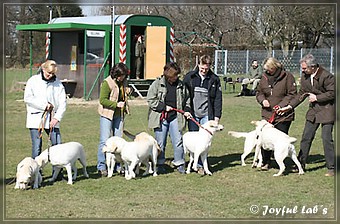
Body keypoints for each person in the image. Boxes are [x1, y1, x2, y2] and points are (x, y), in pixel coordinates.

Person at [277, 54, 335, 177]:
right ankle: (300, 164)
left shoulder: (327, 76)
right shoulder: (305, 77)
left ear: (313, 67)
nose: (302, 71)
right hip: (313, 111)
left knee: (326, 139)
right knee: (306, 137)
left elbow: (333, 93)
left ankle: (332, 167)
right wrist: (289, 106)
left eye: (304, 68)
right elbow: (302, 94)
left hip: (328, 110)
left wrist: (317, 97)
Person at [147, 62, 192, 174]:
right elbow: (150, 99)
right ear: (168, 76)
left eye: (177, 75)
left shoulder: (181, 85)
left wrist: (186, 111)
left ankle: (180, 163)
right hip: (161, 117)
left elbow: (187, 100)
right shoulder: (157, 84)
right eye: (174, 76)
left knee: (178, 141)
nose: (176, 78)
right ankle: (160, 163)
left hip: (176, 117)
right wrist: (163, 107)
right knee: (160, 142)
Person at [256, 57, 297, 171]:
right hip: (267, 114)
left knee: (280, 138)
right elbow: (259, 93)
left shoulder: (288, 77)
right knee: (265, 138)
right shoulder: (263, 78)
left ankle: (281, 161)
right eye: (266, 69)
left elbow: (292, 94)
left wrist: (282, 105)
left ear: (275, 67)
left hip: (283, 115)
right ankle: (265, 161)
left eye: (269, 69)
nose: (267, 71)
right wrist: (262, 100)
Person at [183, 55, 222, 175]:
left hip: (206, 115)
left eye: (206, 68)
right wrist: (186, 110)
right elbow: (184, 95)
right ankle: (197, 165)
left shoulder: (214, 79)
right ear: (198, 64)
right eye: (202, 68)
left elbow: (217, 99)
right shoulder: (190, 77)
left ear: (210, 66)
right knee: (195, 141)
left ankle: (201, 164)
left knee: (205, 141)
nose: (204, 71)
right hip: (193, 114)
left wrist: (216, 117)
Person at [24, 60, 67, 159]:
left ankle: (57, 172)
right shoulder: (33, 81)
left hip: (52, 119)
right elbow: (28, 98)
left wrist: (57, 118)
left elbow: (63, 102)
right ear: (43, 69)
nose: (50, 75)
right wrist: (44, 106)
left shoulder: (58, 84)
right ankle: (36, 172)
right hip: (36, 118)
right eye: (49, 73)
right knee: (37, 146)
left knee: (57, 144)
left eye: (53, 74)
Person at [97, 63, 130, 177]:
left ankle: (118, 166)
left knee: (119, 140)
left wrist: (127, 92)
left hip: (119, 115)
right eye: (122, 75)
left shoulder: (123, 82)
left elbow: (121, 94)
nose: (124, 78)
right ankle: (101, 166)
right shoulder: (107, 83)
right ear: (117, 75)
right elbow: (102, 100)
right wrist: (116, 104)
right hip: (107, 114)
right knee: (104, 140)